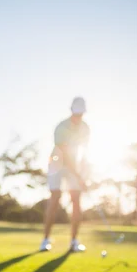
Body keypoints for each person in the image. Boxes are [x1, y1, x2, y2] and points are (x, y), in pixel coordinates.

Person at [40, 96, 90, 252]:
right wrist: (77, 173)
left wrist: (83, 172)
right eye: (76, 114)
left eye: (80, 114)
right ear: (71, 111)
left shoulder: (85, 128)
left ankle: (74, 241)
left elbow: (84, 152)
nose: (78, 117)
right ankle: (45, 240)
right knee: (55, 198)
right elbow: (64, 153)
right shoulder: (61, 127)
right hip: (57, 163)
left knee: (76, 199)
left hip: (74, 164)